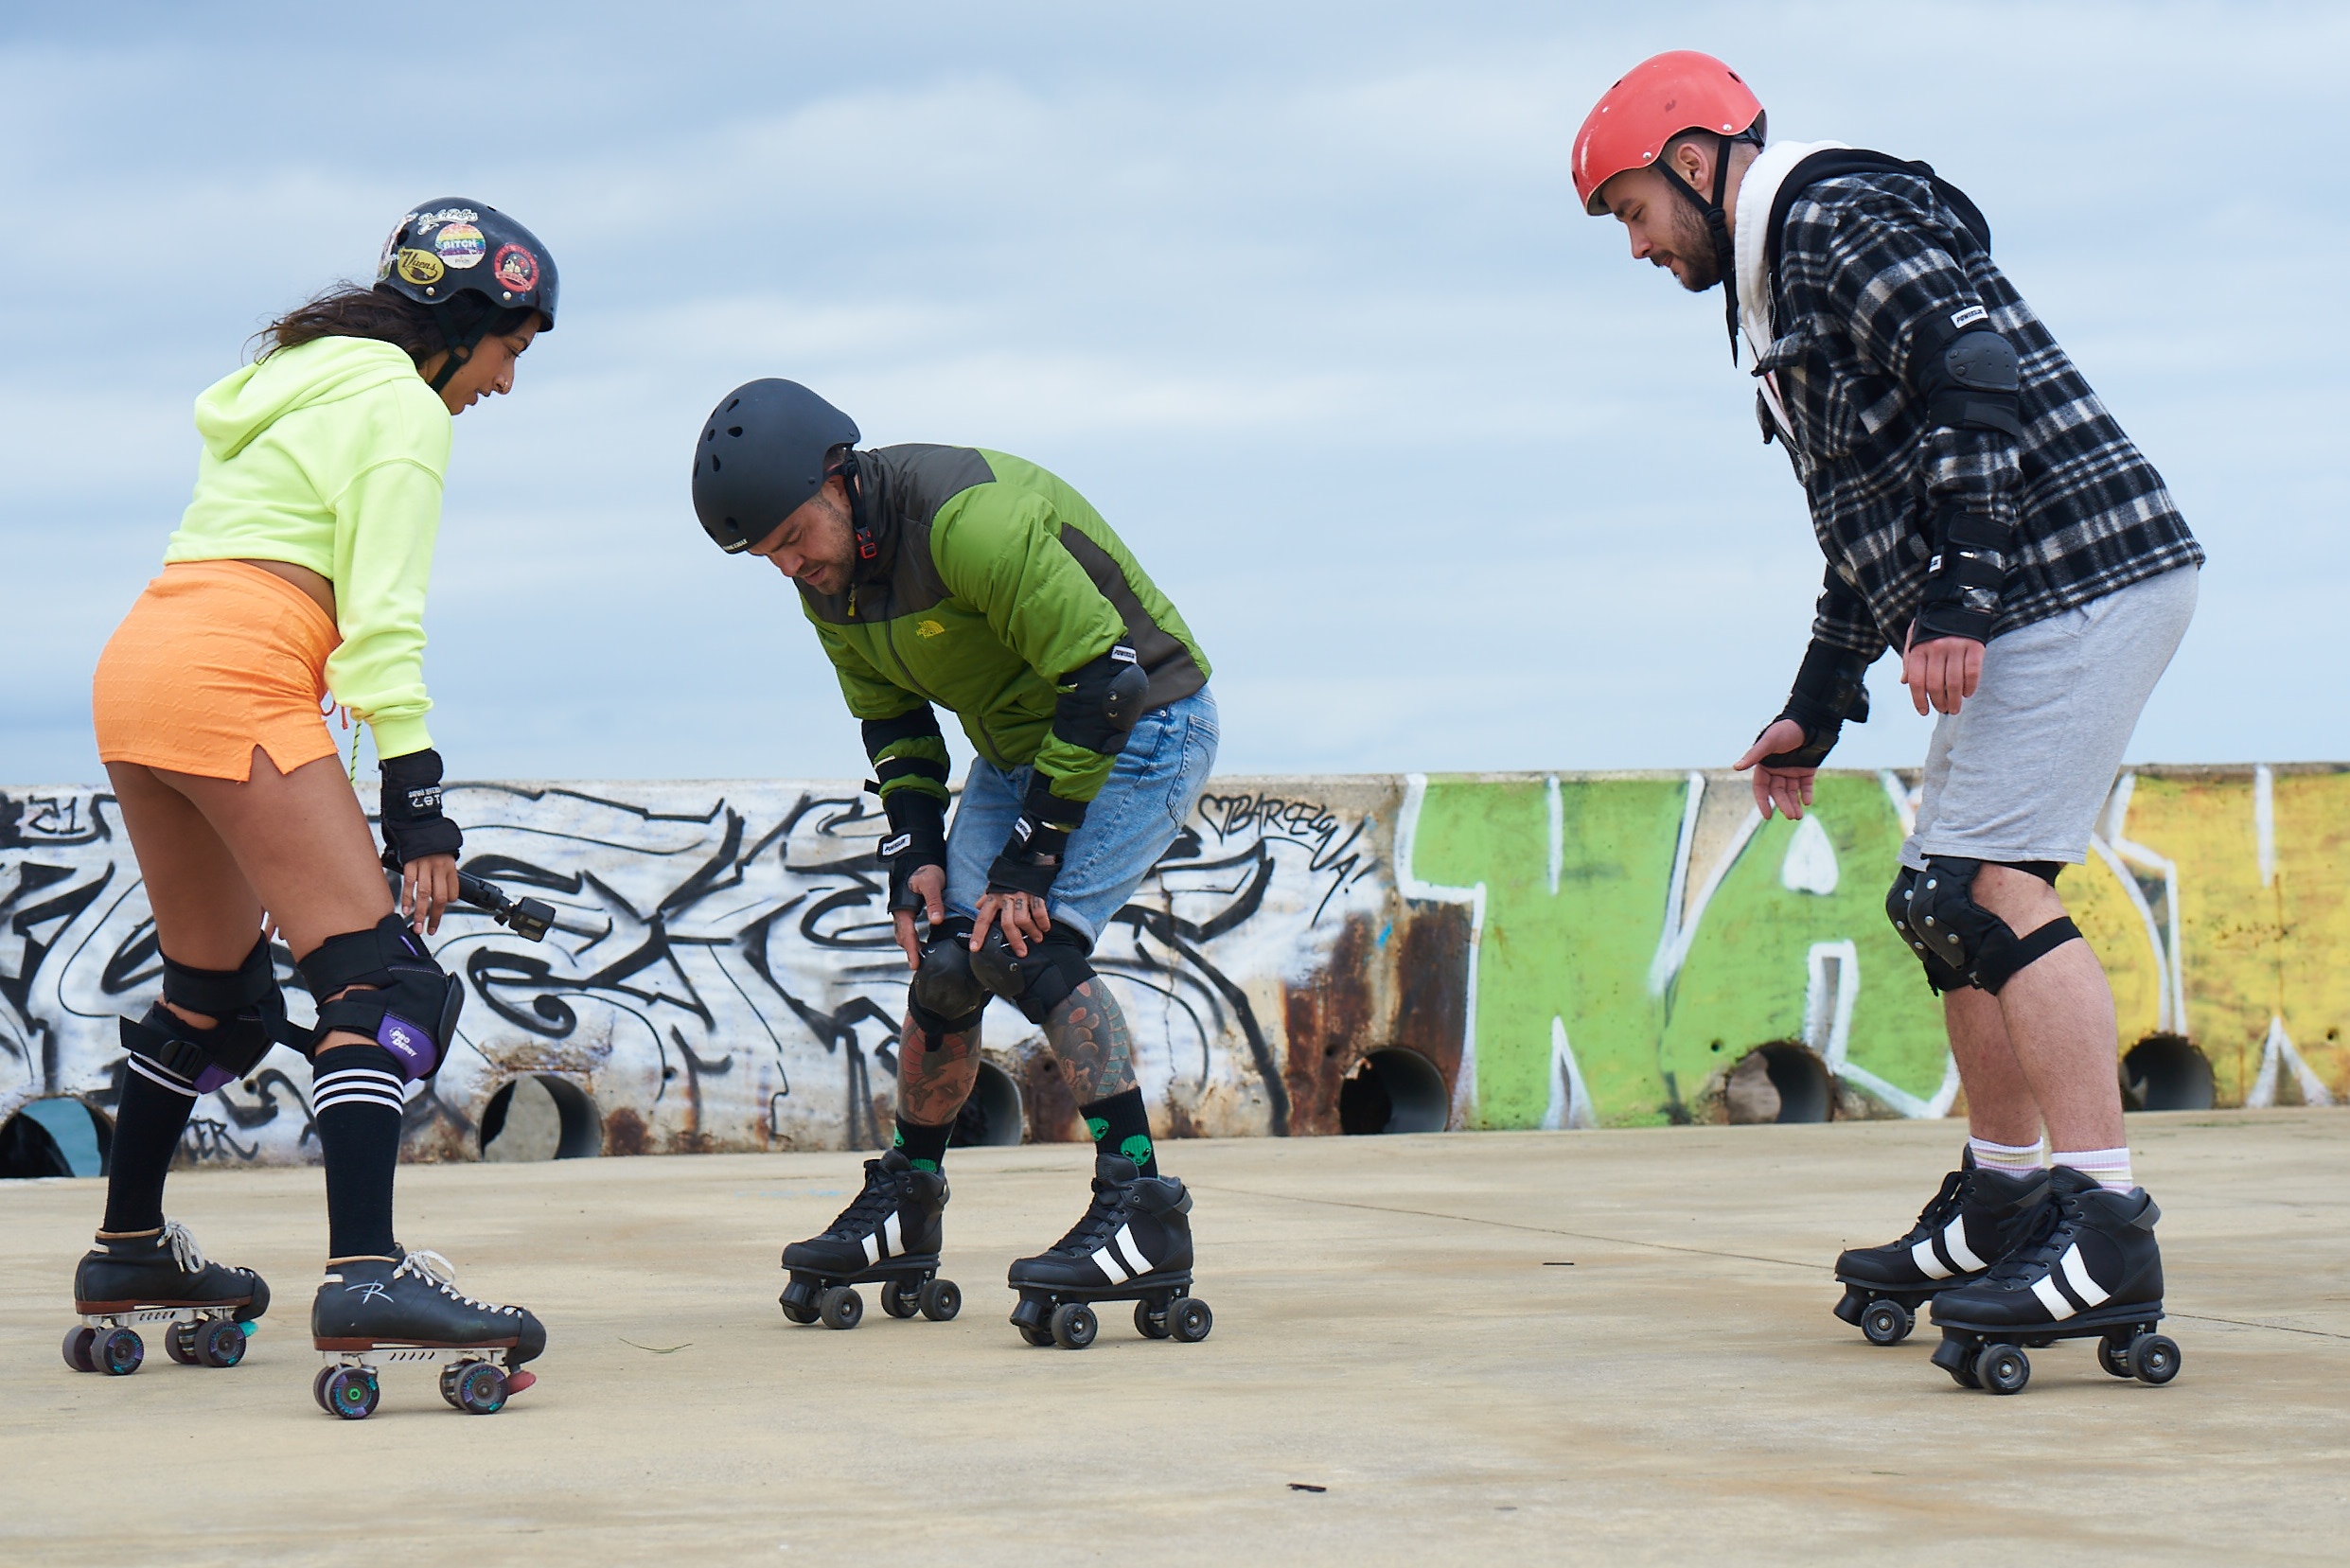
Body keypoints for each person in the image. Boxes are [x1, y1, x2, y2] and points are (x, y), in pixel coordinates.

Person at [1573, 54, 2202, 1382]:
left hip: (2068, 577)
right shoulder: (1771, 278)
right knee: (1940, 895)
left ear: (1693, 163)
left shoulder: (1828, 222)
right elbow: (1860, 514)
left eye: (1631, 210)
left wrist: (1961, 590)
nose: (1632, 246)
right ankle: (2005, 1197)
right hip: (2033, 589)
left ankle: (2103, 1223)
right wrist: (1816, 700)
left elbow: (1975, 376)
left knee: (1979, 890)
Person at [69, 200, 557, 1406]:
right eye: (511, 349)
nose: (504, 382)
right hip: (236, 672)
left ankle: (128, 1253)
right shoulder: (397, 407)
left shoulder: (293, 383)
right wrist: (419, 810)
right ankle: (366, 1273)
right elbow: (383, 624)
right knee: (381, 983)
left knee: (214, 997)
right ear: (462, 323)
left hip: (140, 669)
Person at [691, 380, 1219, 1342]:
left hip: (1143, 726)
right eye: (764, 555)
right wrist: (915, 855)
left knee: (1027, 943)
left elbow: (1106, 680)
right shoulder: (831, 580)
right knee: (944, 965)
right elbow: (890, 719)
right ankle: (909, 1200)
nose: (788, 566)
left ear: (837, 478)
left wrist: (1033, 858)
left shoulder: (970, 523)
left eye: (790, 537)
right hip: (1023, 750)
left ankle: (1142, 1202)